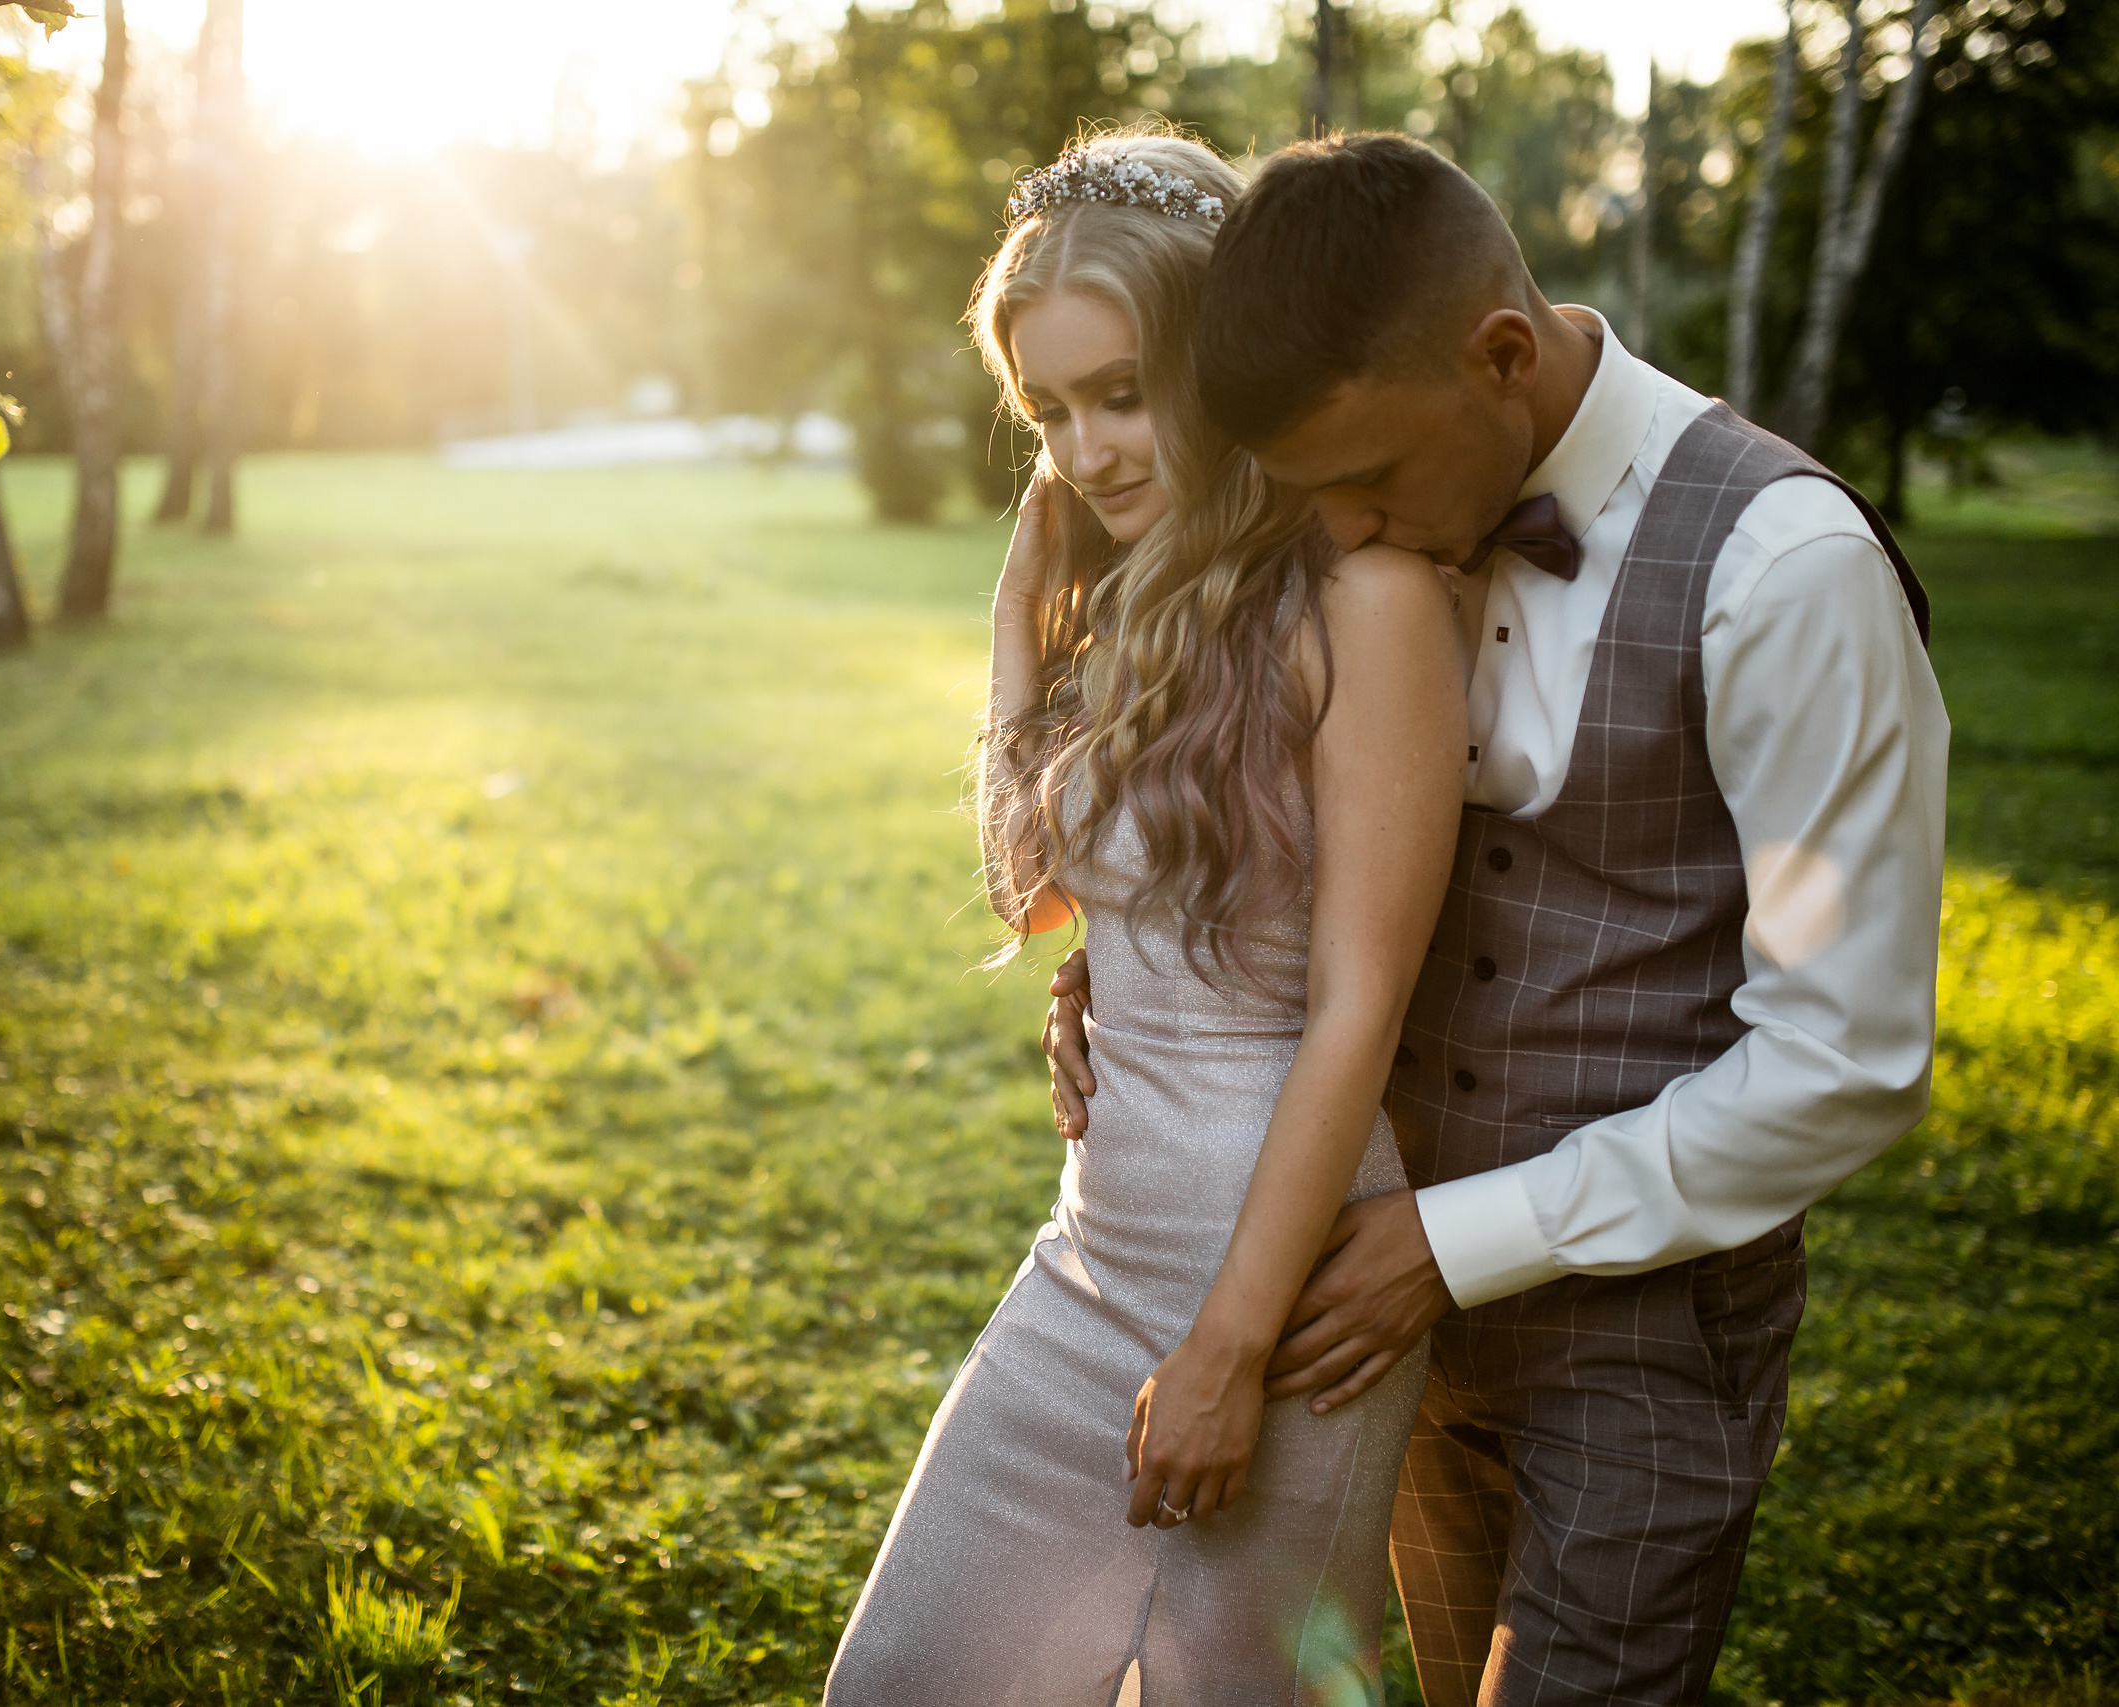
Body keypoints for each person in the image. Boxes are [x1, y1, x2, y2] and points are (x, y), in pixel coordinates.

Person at [1042, 133, 1947, 1707]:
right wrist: (1122, 970)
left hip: (1639, 1339)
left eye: (1365, 486)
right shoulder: (1379, 517)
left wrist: (1451, 1250)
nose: (1330, 535)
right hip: (1370, 1342)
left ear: (1504, 357)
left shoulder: (1785, 572)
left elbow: (1845, 1061)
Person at [824, 130, 1468, 1707]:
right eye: (1051, 411)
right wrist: (1017, 627)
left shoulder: (1365, 605)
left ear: (1215, 359)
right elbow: (1026, 893)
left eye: (1124, 392)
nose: (1091, 450)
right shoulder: (1128, 601)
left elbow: (1359, 1010)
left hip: (1293, 1298)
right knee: (903, 1679)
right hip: (1089, 1257)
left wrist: (1234, 1353)